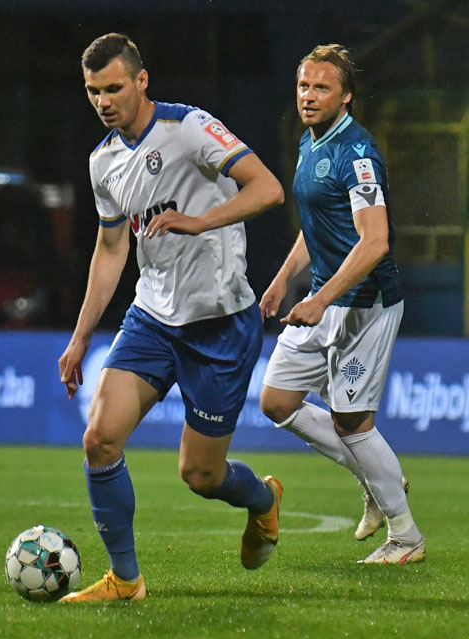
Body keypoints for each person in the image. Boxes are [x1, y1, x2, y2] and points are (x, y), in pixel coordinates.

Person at [57, 33, 285, 603]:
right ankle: (125, 580)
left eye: (113, 88)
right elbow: (112, 247)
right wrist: (81, 336)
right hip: (152, 319)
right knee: (99, 440)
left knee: (200, 476)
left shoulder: (189, 128)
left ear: (141, 80)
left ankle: (263, 499)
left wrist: (199, 221)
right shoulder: (104, 162)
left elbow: (268, 189)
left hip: (220, 324)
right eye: (93, 92)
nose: (103, 101)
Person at [259, 44, 424, 564]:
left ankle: (406, 537)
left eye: (322, 87)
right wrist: (284, 279)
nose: (309, 96)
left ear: (346, 96)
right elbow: (318, 226)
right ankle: (376, 477)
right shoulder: (309, 142)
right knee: (277, 402)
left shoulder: (357, 154)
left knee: (352, 422)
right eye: (304, 86)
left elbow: (374, 242)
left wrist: (320, 299)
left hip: (364, 303)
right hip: (324, 295)